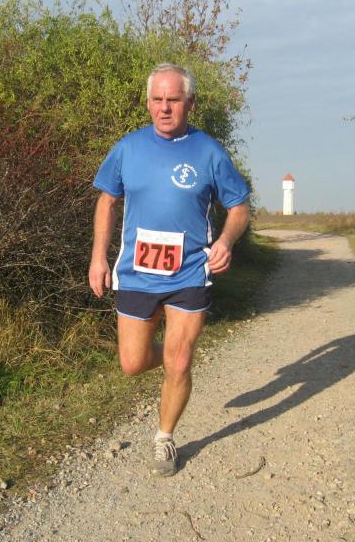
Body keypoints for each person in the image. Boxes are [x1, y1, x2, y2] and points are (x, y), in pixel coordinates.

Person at [88, 63, 250, 477]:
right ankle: (174, 359)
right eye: (157, 99)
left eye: (173, 100)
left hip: (190, 271)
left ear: (190, 103)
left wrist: (226, 241)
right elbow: (106, 202)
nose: (164, 107)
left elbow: (238, 207)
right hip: (137, 273)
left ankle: (164, 437)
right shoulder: (128, 148)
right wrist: (98, 257)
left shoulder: (209, 151)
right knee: (132, 363)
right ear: (148, 103)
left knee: (179, 362)